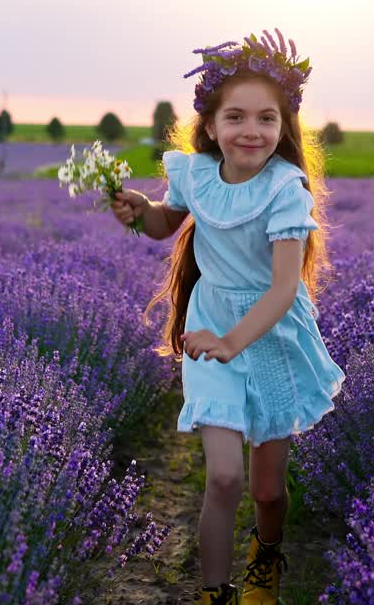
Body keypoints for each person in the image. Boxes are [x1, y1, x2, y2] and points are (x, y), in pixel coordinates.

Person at [110, 29, 345, 605]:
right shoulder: (196, 176)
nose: (251, 130)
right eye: (235, 117)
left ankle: (266, 558)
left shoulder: (287, 191)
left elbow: (285, 288)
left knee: (267, 489)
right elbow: (171, 222)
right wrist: (141, 213)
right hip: (210, 328)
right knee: (223, 477)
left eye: (267, 118)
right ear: (210, 126)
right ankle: (214, 593)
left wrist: (232, 342)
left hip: (270, 335)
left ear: (283, 128)